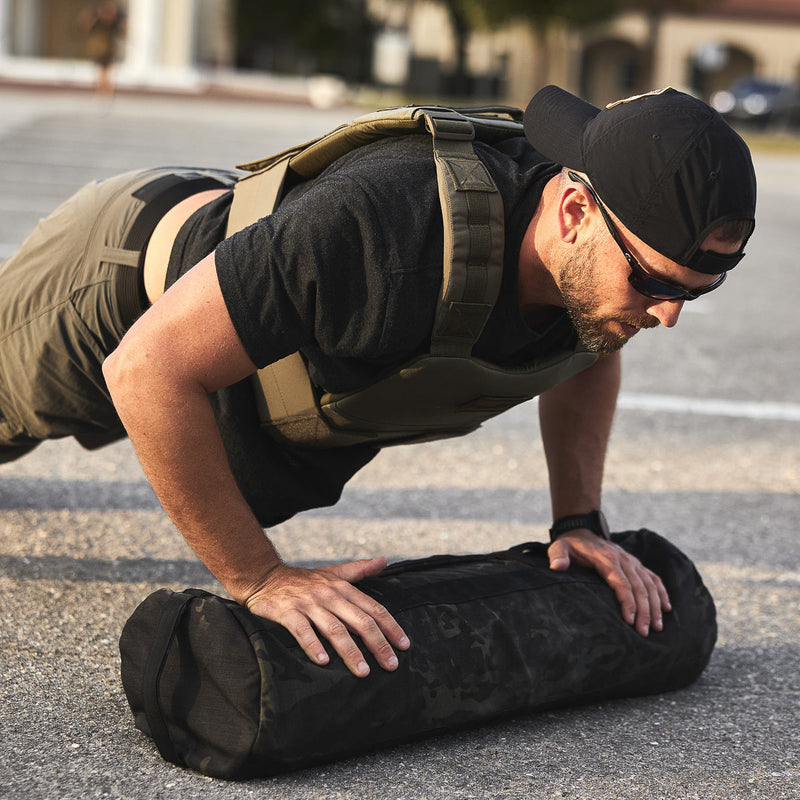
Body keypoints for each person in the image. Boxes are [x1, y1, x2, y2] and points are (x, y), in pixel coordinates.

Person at [0, 86, 756, 679]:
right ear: (572, 209)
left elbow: (590, 348)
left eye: (694, 292)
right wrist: (258, 577)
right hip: (115, 285)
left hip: (252, 315)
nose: (667, 316)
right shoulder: (387, 230)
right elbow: (147, 368)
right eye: (654, 282)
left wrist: (580, 522)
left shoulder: (591, 269)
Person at [80, 1, 126, 96]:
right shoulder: (96, 18)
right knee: (102, 72)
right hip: (99, 51)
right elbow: (83, 24)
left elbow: (124, 30)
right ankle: (102, 93)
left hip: (108, 52)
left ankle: (106, 94)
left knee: (107, 72)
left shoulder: (115, 22)